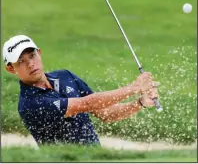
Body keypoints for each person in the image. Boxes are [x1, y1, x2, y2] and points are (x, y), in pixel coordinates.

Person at [3, 35, 159, 146]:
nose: (30, 64)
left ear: (39, 53)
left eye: (32, 55)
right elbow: (86, 104)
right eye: (21, 61)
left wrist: (139, 103)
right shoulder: (30, 104)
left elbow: (106, 113)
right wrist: (134, 87)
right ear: (11, 69)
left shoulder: (65, 76)